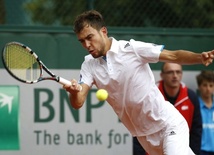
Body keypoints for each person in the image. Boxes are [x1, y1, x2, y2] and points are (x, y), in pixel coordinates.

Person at [63, 10, 214, 155]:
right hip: (144, 136)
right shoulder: (88, 64)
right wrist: (73, 93)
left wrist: (199, 57)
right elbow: (78, 101)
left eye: (90, 37)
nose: (87, 45)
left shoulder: (132, 49)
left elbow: (173, 56)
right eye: (82, 41)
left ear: (103, 31)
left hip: (168, 124)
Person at [133, 63, 202, 155]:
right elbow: (140, 130)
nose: (175, 76)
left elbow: (196, 132)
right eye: (170, 72)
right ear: (162, 75)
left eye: (178, 72)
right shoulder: (151, 96)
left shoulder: (191, 97)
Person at [196, 71, 214, 155]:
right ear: (199, 87)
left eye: (211, 85)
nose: (208, 89)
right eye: (205, 85)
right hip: (201, 150)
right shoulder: (195, 106)